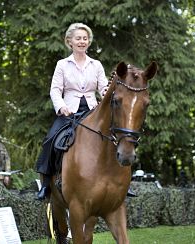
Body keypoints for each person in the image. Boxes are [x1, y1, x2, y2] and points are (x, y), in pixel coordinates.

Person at [36, 23, 109, 200]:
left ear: (89, 41)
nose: (82, 41)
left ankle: (120, 183)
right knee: (50, 140)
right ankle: (46, 185)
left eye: (85, 38)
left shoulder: (96, 65)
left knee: (113, 139)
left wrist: (107, 93)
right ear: (70, 41)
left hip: (93, 111)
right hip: (69, 112)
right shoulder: (62, 64)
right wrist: (61, 106)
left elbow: (103, 87)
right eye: (78, 38)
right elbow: (55, 89)